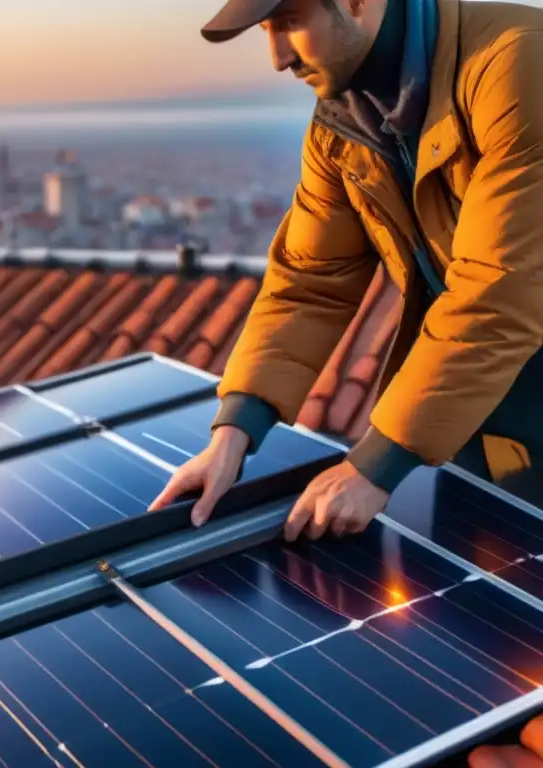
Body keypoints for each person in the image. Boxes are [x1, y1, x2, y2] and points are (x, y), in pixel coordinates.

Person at [149, 0, 543, 762]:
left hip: (506, 396)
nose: (276, 58)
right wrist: (236, 430)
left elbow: (497, 295)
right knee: (498, 669)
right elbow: (308, 281)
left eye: (285, 21)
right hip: (475, 421)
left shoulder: (517, 65)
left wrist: (376, 462)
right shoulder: (344, 120)